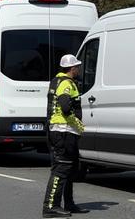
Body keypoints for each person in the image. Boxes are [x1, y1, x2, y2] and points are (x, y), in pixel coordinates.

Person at [42, 55, 88, 217]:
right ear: (71, 69)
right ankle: (50, 206)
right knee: (61, 169)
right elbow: (65, 107)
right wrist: (78, 124)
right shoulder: (66, 84)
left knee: (70, 168)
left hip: (62, 130)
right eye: (77, 66)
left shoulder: (57, 81)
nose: (79, 69)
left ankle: (68, 203)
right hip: (63, 130)